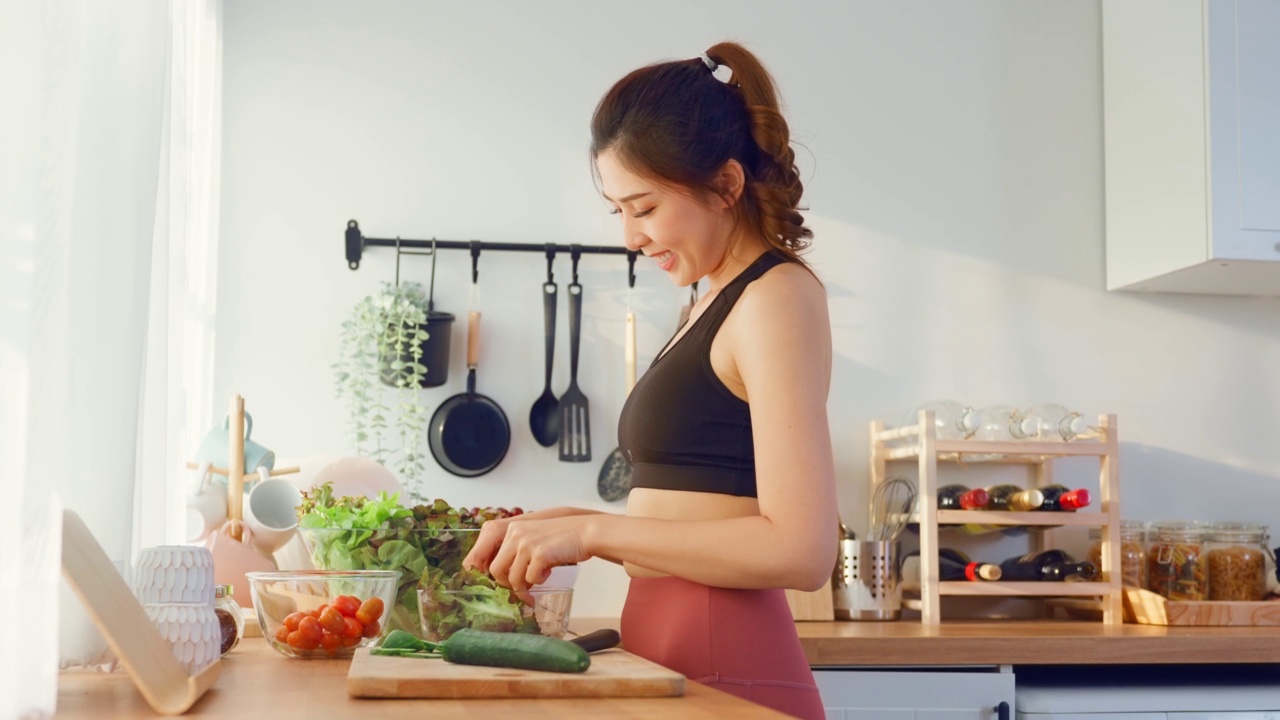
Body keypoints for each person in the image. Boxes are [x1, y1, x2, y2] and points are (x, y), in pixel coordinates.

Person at [463, 41, 835, 720]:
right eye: (619, 212)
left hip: (734, 668)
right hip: (675, 653)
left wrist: (596, 535)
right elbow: (692, 496)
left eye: (645, 207)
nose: (631, 236)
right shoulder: (707, 301)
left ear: (725, 186)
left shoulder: (776, 298)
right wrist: (565, 522)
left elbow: (800, 547)